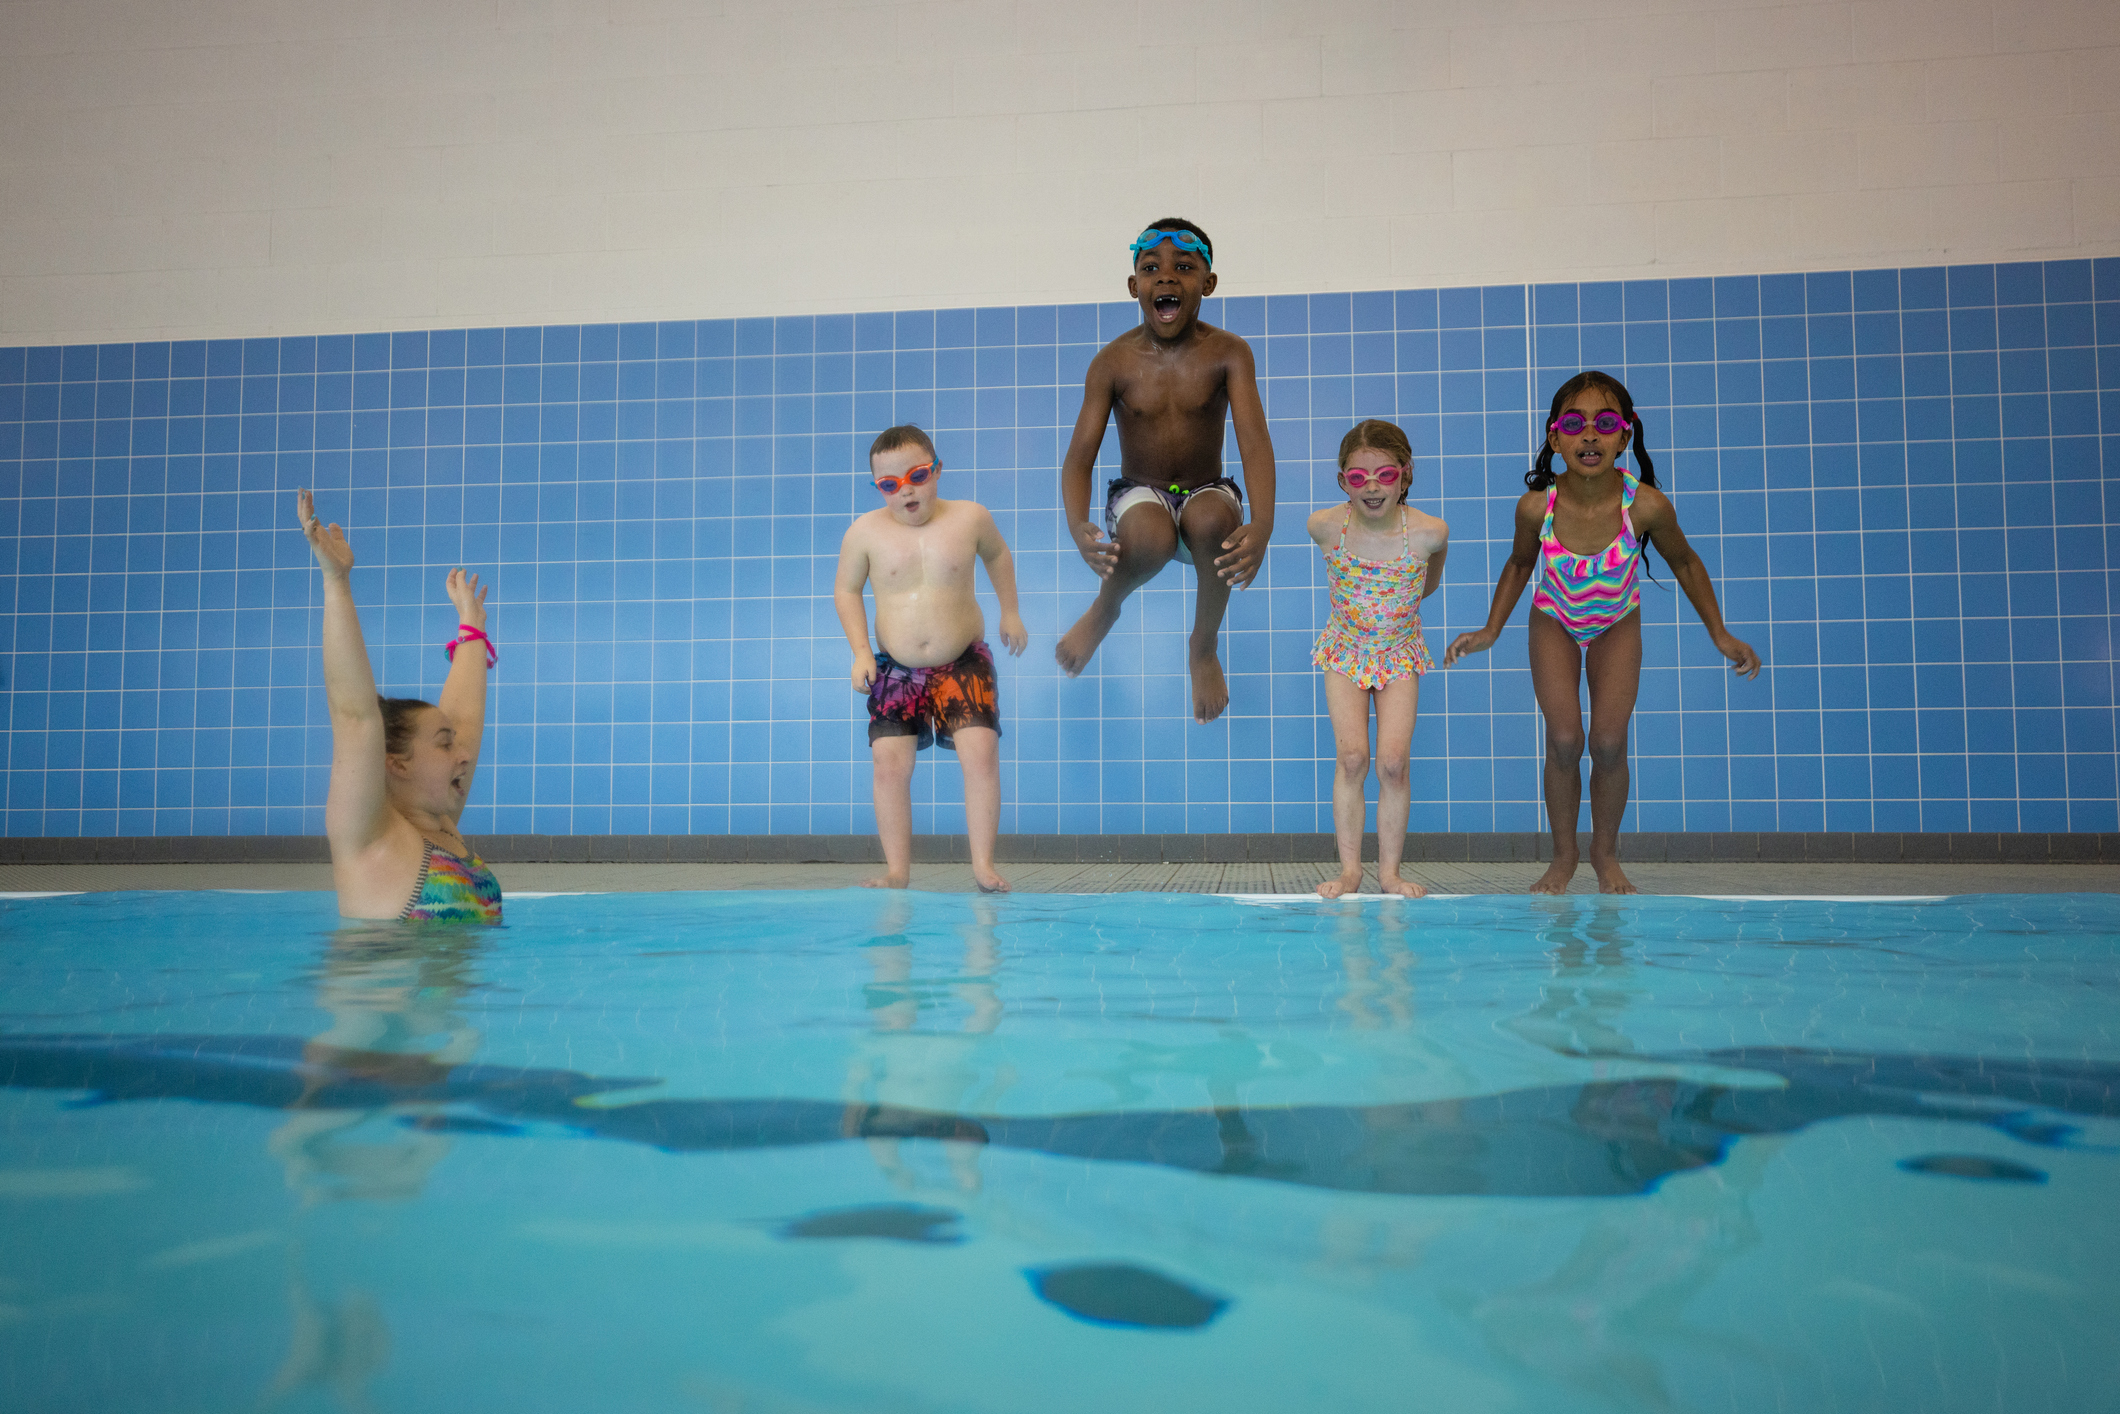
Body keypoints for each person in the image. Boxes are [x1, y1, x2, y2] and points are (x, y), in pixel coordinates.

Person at [1444, 372, 1761, 895]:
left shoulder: (1646, 506)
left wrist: (1719, 633)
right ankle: (1564, 856)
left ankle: (1604, 853)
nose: (1589, 435)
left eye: (1605, 423)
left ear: (1624, 435)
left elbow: (1684, 562)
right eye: (1574, 423)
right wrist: (1490, 629)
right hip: (1555, 621)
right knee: (1565, 740)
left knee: (1610, 743)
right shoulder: (1535, 506)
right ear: (1555, 438)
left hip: (1617, 623)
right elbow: (1521, 564)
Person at [1052, 218, 1276, 723]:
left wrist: (1262, 523)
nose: (1167, 278)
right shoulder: (1112, 362)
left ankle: (1202, 645)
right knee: (1150, 537)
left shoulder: (1229, 353)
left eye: (1184, 268)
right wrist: (1078, 524)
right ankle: (1106, 607)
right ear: (1135, 287)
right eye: (1151, 268)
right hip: (1141, 493)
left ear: (1208, 283)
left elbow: (1255, 443)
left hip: (1206, 490)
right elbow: (1079, 456)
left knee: (1214, 522)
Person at [834, 425, 1027, 892]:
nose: (907, 490)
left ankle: (982, 864)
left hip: (963, 660)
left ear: (938, 469)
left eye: (918, 475)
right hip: (895, 669)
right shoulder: (864, 532)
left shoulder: (969, 518)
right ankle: (897, 870)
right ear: (878, 487)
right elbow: (846, 589)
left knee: (981, 754)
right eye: (890, 484)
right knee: (888, 765)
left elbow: (999, 556)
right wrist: (860, 651)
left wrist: (1011, 612)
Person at [296, 488, 501, 921]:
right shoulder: (370, 837)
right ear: (397, 763)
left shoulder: (441, 822)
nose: (464, 753)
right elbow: (355, 718)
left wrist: (472, 628)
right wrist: (337, 584)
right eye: (444, 745)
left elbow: (462, 719)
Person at [1307, 419, 1448, 899]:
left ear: (1405, 475)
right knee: (1352, 758)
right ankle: (1350, 872)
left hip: (1399, 653)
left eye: (1385, 475)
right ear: (1342, 478)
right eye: (1357, 476)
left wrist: (1395, 621)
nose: (1371, 487)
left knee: (1392, 763)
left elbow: (1428, 582)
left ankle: (1389, 872)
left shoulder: (1429, 533)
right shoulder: (1325, 527)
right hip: (1344, 652)